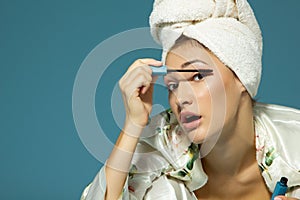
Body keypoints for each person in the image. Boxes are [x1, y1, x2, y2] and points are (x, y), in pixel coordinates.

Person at [81, 0, 300, 199]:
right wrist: (133, 124)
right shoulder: (160, 151)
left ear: (242, 77)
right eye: (172, 85)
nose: (181, 99)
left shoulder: (293, 142)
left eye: (197, 76)